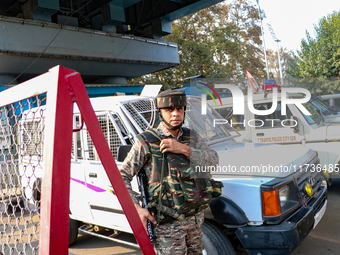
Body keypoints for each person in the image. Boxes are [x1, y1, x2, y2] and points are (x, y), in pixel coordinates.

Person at [120, 90, 222, 254]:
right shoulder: (147, 141)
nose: (175, 114)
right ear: (160, 112)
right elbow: (121, 177)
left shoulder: (192, 137)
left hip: (195, 221)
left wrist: (183, 149)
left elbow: (213, 161)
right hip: (168, 226)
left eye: (179, 109)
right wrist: (137, 208)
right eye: (169, 110)